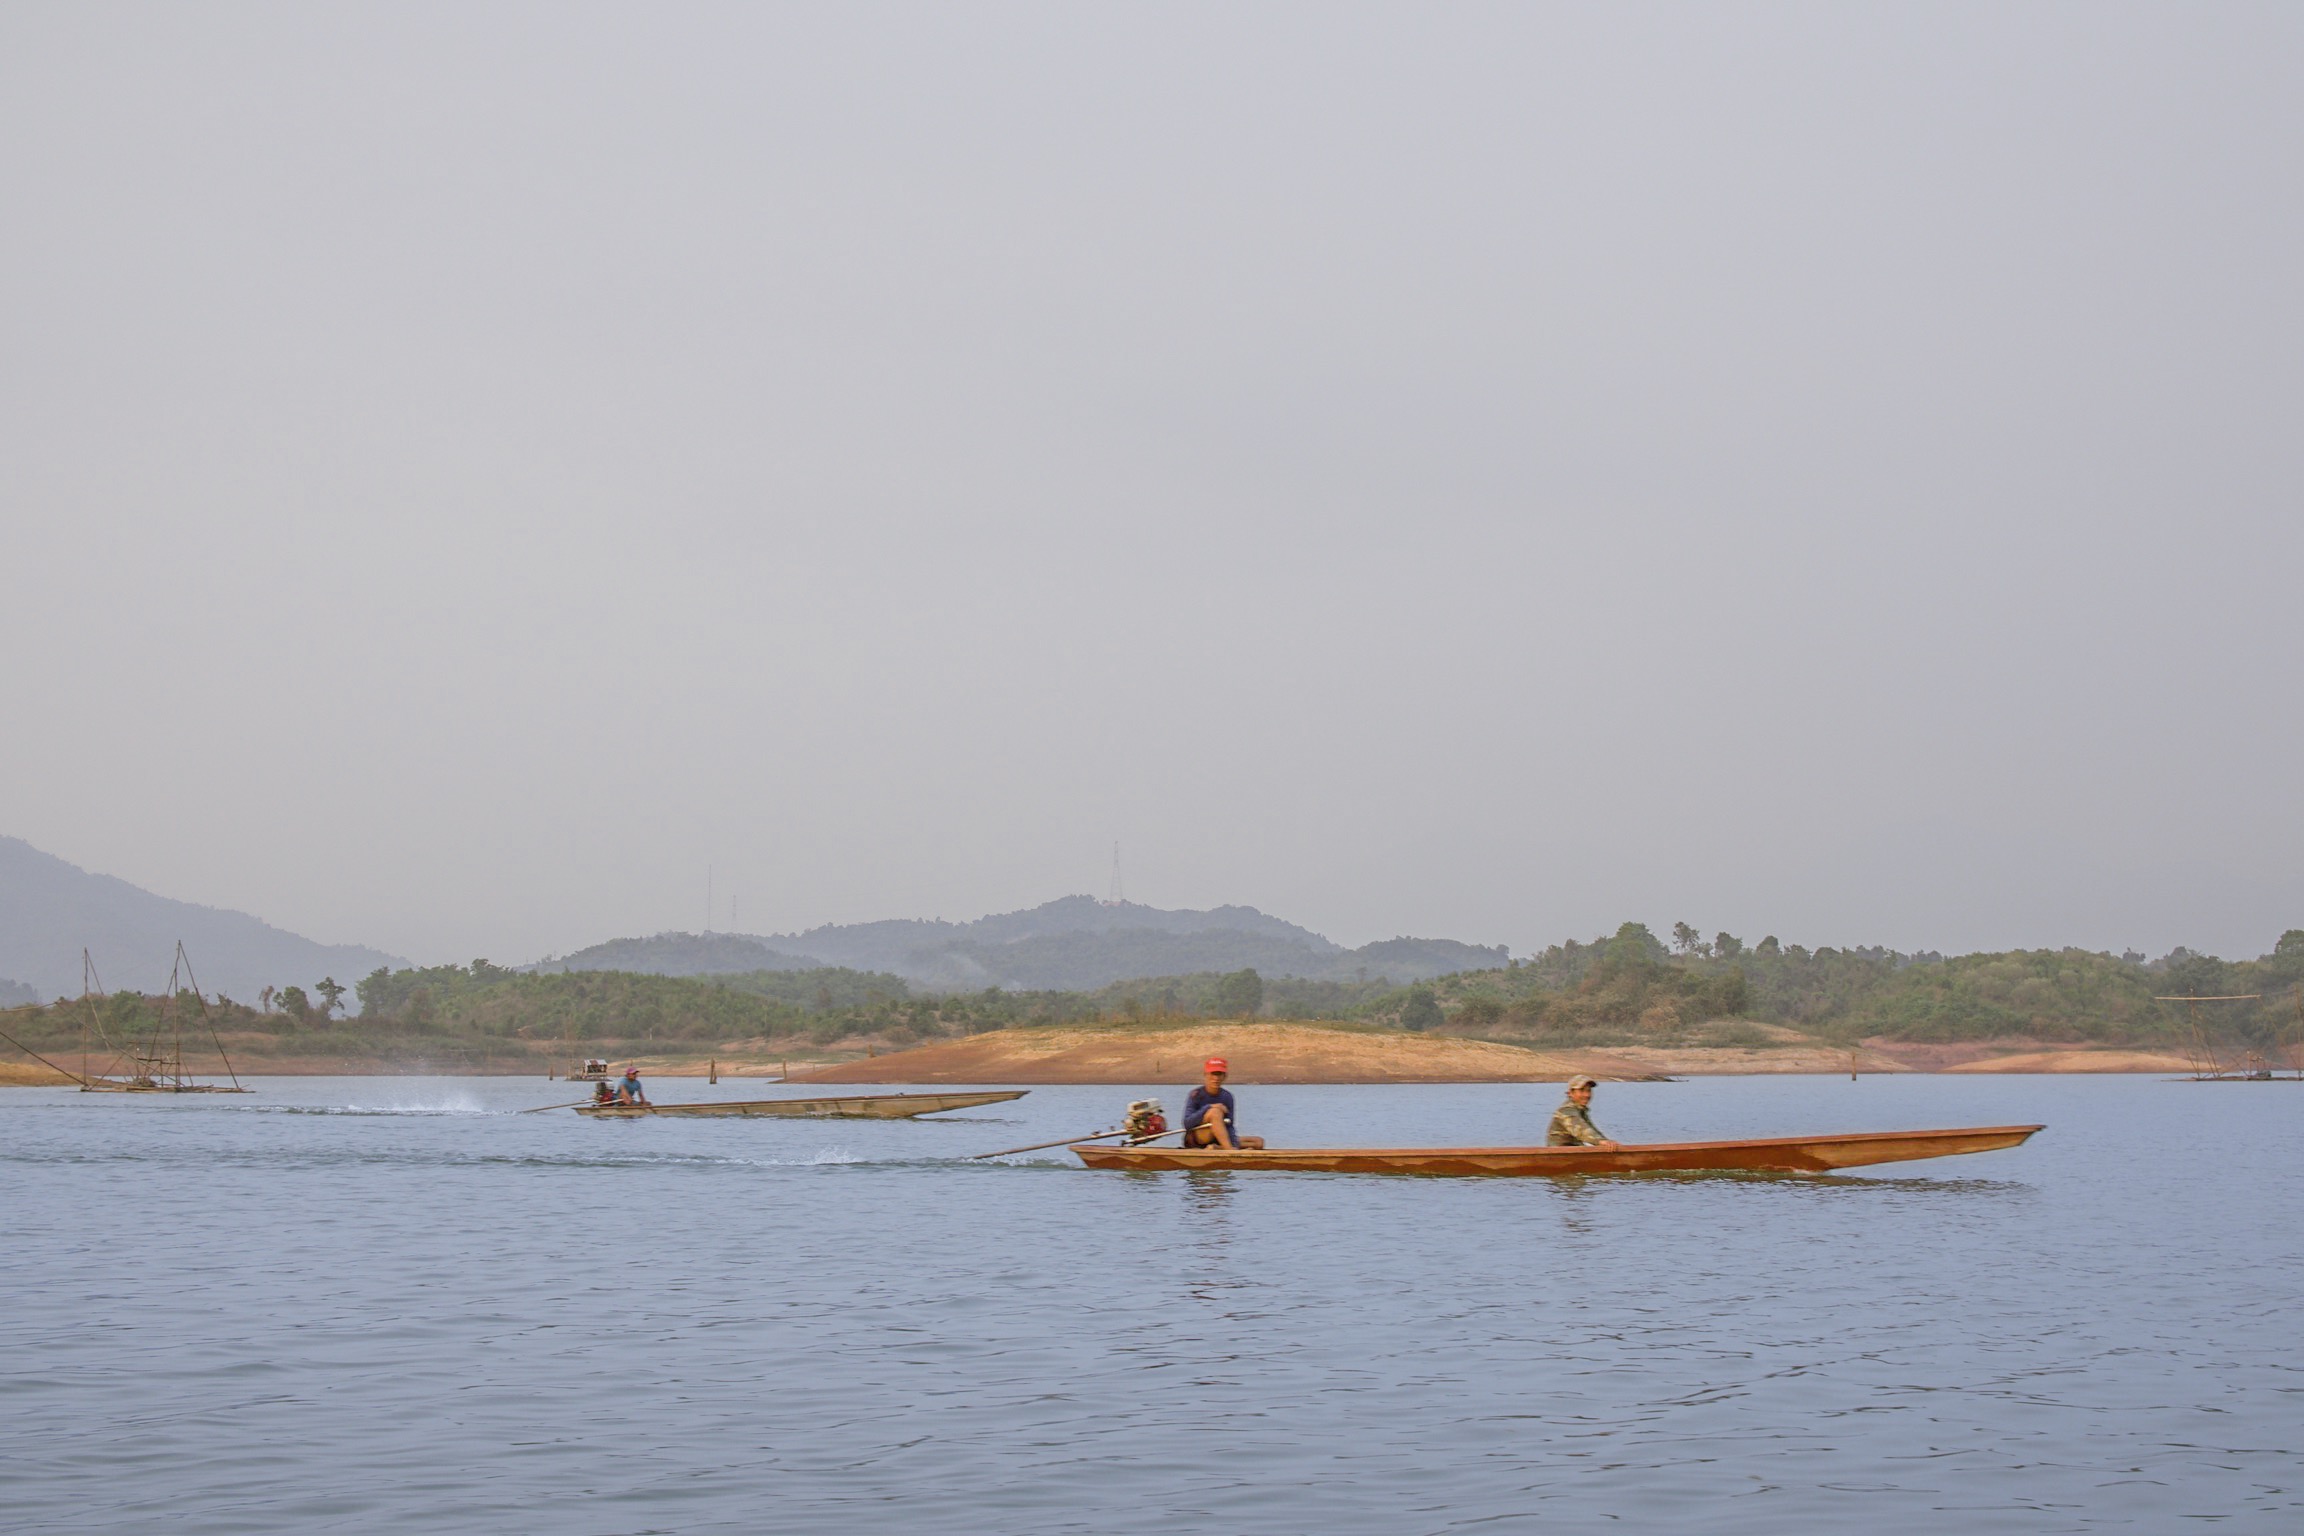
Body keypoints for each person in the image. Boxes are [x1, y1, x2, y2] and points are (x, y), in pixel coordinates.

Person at [1182, 1058, 1264, 1150]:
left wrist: (1234, 1144)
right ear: (1206, 1075)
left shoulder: (1227, 1096)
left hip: (1219, 1137)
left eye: (1219, 1074)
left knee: (1258, 1142)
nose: (1216, 1078)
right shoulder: (1196, 1094)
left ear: (1224, 1076)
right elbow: (1187, 1123)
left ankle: (1218, 1147)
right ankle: (1229, 1150)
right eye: (1213, 1074)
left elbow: (1229, 1125)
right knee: (1215, 1112)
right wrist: (1209, 1107)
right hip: (1199, 1138)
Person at [1547, 1075, 1619, 1149]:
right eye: (1581, 1090)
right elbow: (1581, 1130)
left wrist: (1607, 1142)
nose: (1586, 1095)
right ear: (1570, 1093)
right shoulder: (1566, 1110)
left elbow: (1593, 1130)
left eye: (1588, 1090)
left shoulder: (1580, 1110)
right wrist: (1601, 1141)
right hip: (1560, 1155)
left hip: (1573, 1153)